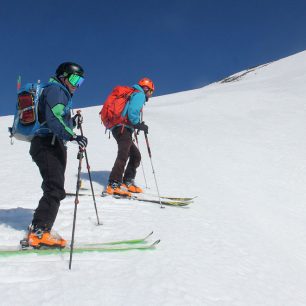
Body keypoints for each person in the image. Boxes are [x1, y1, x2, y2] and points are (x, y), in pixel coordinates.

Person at [26, 62, 88, 248]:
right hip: (47, 144)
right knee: (54, 188)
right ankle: (39, 232)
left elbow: (58, 118)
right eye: (75, 79)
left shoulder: (61, 94)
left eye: (81, 81)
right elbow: (54, 120)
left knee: (55, 187)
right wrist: (73, 135)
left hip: (52, 143)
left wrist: (73, 123)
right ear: (63, 76)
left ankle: (39, 228)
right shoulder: (56, 90)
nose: (77, 85)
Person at [106, 77, 155, 197]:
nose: (151, 95)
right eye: (151, 92)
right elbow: (133, 111)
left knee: (135, 155)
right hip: (123, 128)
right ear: (146, 89)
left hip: (119, 128)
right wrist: (137, 123)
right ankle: (114, 183)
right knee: (124, 154)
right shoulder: (139, 94)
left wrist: (136, 125)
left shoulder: (133, 93)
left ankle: (127, 181)